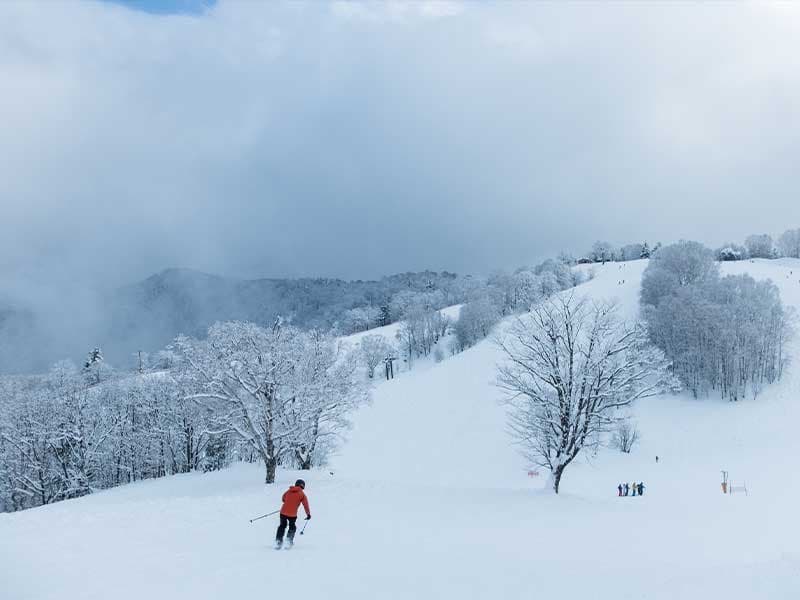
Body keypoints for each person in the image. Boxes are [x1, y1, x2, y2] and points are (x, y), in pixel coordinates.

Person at [275, 479, 311, 549]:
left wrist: (288, 502)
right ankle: (289, 541)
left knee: (282, 526)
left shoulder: (289, 491)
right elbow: (305, 505)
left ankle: (278, 541)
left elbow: (283, 498)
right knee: (292, 527)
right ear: (303, 486)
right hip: (292, 514)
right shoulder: (302, 494)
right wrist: (308, 514)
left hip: (283, 512)